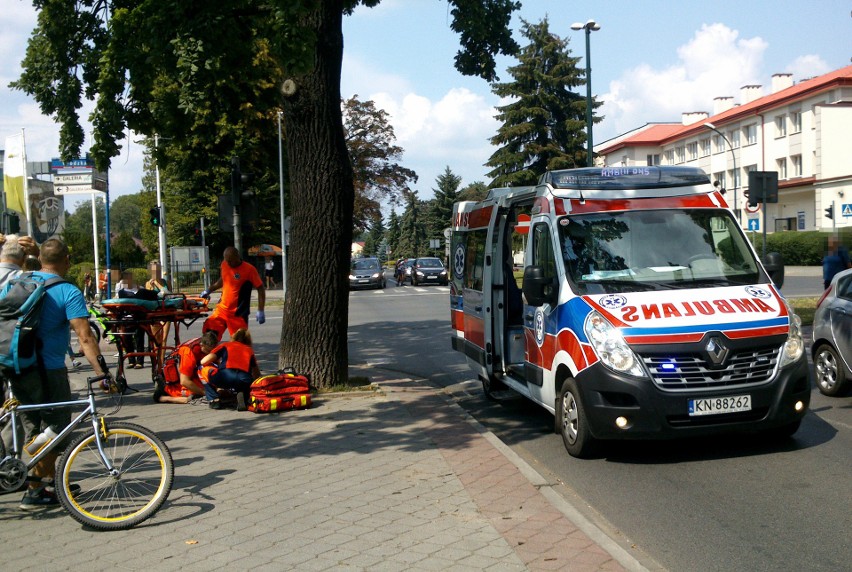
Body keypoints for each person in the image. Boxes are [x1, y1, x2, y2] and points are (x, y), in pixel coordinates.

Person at [2, 238, 110, 510]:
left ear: (38, 258)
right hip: (49, 370)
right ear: (67, 261)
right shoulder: (67, 291)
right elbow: (85, 337)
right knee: (58, 427)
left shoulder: (19, 281)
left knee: (34, 426)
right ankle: (35, 489)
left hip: (19, 366)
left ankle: (44, 480)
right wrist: (104, 374)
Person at [201, 247, 266, 341]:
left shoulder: (249, 269)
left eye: (231, 261)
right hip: (222, 310)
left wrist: (261, 310)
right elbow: (223, 280)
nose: (228, 263)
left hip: (238, 314)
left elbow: (260, 288)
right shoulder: (225, 265)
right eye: (226, 260)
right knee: (208, 337)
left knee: (240, 345)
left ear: (237, 257)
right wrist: (208, 290)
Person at [199, 328, 261, 410]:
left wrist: (217, 363)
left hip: (225, 377)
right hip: (244, 379)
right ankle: (243, 395)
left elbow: (203, 362)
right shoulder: (249, 350)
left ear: (233, 337)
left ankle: (214, 400)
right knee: (242, 381)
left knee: (202, 369)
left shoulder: (225, 345)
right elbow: (256, 373)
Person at [153, 331, 218, 404]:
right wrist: (204, 393)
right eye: (208, 351)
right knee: (196, 393)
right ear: (201, 345)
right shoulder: (189, 353)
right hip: (174, 384)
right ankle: (167, 398)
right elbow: (184, 381)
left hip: (191, 375)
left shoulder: (205, 344)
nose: (209, 353)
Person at [114, 270, 146, 368]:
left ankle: (140, 361)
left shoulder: (140, 290)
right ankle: (131, 360)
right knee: (127, 339)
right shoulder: (121, 292)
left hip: (139, 317)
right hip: (126, 317)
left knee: (139, 338)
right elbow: (116, 301)